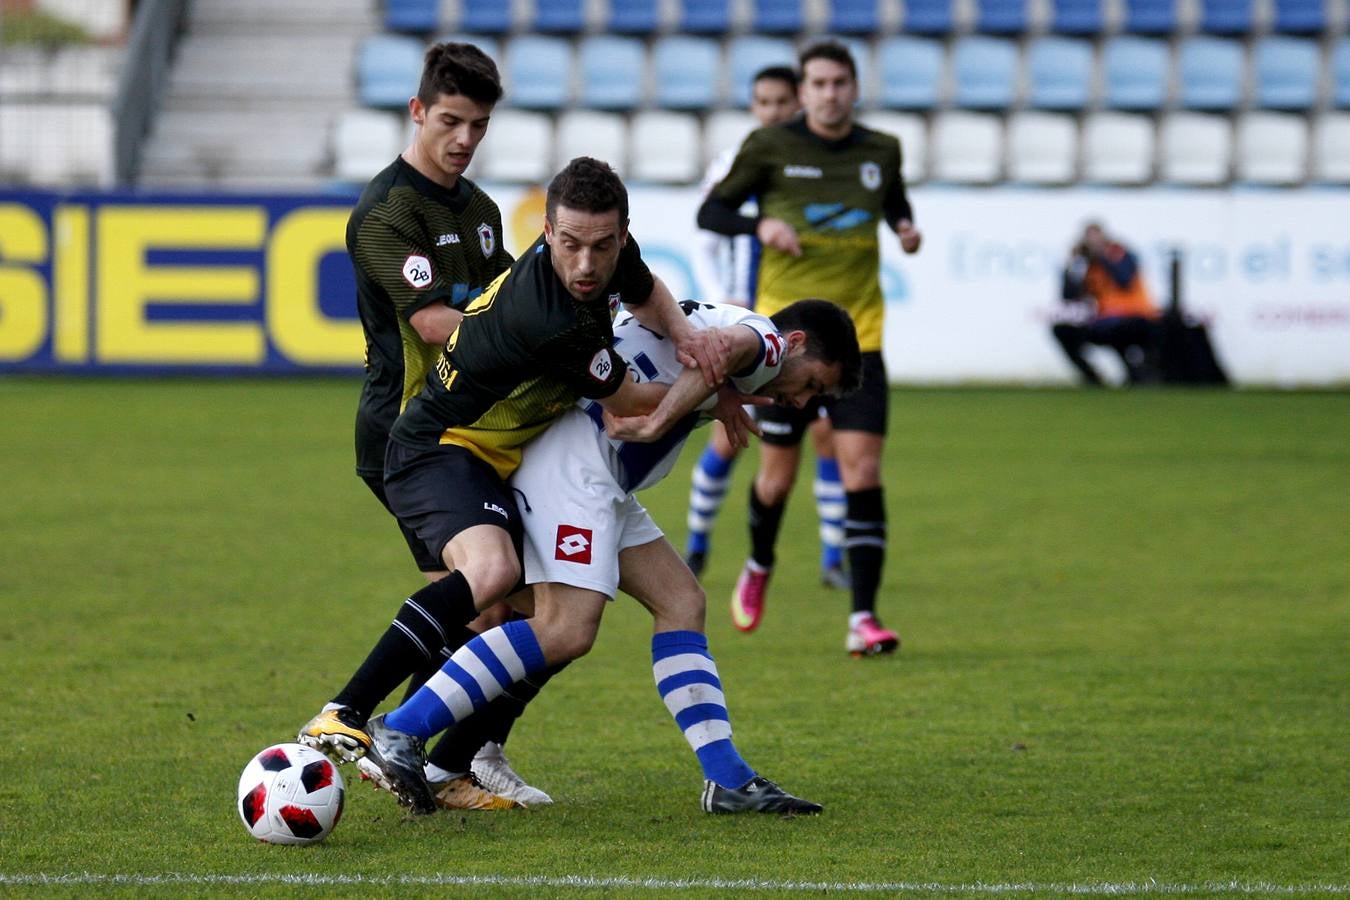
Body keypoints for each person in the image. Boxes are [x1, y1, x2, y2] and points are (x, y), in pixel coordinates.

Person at [302, 156, 734, 814]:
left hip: (500, 456)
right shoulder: (548, 315)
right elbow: (629, 403)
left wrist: (686, 338)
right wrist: (717, 385)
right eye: (569, 245)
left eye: (601, 246)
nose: (586, 264)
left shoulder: (606, 255)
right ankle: (349, 712)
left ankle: (453, 760)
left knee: (552, 620)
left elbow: (647, 290)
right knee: (494, 573)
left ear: (621, 234)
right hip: (439, 448)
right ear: (547, 232)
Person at [359, 297, 862, 816]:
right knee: (564, 628)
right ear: (796, 344)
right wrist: (664, 416)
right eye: (813, 385)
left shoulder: (730, 332)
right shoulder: (766, 341)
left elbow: (700, 352)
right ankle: (400, 730)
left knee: (682, 601)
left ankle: (726, 778)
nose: (803, 403)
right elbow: (731, 349)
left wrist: (723, 393)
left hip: (602, 475)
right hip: (576, 465)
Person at [340, 40, 551, 809]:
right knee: (491, 599)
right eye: (451, 122)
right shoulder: (385, 212)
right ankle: (412, 744)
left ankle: (443, 752)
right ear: (418, 111)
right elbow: (434, 322)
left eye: (480, 126)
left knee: (505, 604)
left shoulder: (485, 213)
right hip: (405, 432)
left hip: (469, 431)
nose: (465, 139)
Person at [697, 40, 922, 656]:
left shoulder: (882, 149)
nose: (829, 93)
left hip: (860, 341)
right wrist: (758, 225)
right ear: (804, 91)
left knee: (863, 470)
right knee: (776, 479)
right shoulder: (770, 146)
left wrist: (903, 225)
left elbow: (892, 195)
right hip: (785, 347)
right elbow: (712, 213)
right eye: (818, 83)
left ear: (854, 87)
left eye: (839, 82)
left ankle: (864, 617)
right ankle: (761, 562)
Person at [683, 65, 850, 591]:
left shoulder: (809, 168)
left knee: (826, 435)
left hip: (793, 319)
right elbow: (705, 230)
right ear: (754, 107)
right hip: (746, 320)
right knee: (727, 439)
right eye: (764, 102)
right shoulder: (736, 165)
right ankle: (698, 542)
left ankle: (831, 556)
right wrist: (722, 295)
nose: (773, 111)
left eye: (782, 102)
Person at [1052, 222, 1161, 386]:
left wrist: (1102, 255)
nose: (1093, 244)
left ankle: (1138, 374)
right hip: (1106, 321)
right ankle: (1093, 378)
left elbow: (1124, 280)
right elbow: (1069, 296)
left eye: (1096, 239)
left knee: (1120, 332)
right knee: (1063, 331)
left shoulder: (1120, 254)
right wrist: (1072, 266)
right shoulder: (1089, 266)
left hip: (1136, 317)